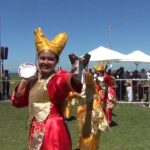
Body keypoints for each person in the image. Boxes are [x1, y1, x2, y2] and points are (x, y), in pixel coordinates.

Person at [11, 28, 82, 150]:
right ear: (37, 59)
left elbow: (63, 81)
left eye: (50, 59)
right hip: (35, 129)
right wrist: (25, 80)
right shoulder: (33, 78)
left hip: (53, 131)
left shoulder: (57, 77)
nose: (45, 62)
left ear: (57, 62)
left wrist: (75, 77)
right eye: (42, 58)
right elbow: (17, 102)